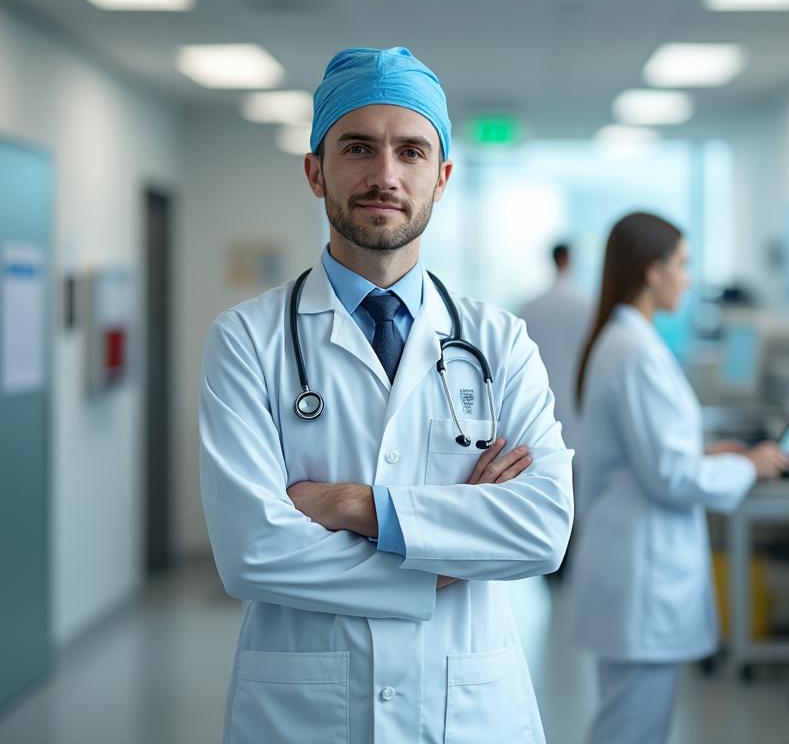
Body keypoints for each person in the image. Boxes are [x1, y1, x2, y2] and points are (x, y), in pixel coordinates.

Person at [199, 46, 573, 744]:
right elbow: (251, 549)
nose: (385, 175)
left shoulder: (501, 341)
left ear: (443, 177)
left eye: (411, 151)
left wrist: (352, 506)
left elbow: (542, 528)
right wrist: (439, 561)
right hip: (304, 715)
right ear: (315, 171)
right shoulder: (246, 340)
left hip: (467, 711)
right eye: (358, 147)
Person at [567, 212, 789, 744]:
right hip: (642, 572)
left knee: (628, 723)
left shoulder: (625, 341)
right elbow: (670, 475)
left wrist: (709, 452)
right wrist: (747, 465)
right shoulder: (635, 351)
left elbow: (648, 453)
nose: (688, 280)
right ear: (652, 271)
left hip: (631, 562)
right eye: (683, 266)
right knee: (633, 729)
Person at [518, 243, 592, 457]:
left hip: (538, 399)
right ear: (569, 260)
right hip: (577, 401)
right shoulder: (587, 306)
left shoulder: (530, 307)